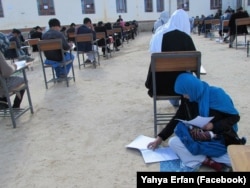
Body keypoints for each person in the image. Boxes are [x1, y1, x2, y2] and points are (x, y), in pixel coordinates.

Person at [148, 73, 246, 172]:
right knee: (173, 143)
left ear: (191, 89)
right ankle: (209, 162)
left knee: (237, 160)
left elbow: (234, 117)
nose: (184, 96)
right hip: (198, 138)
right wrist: (160, 138)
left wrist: (213, 126)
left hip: (219, 139)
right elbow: (177, 118)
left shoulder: (217, 94)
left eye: (185, 93)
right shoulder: (188, 99)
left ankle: (203, 158)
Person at [145, 9, 195, 107]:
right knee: (186, 73)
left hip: (160, 87)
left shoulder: (160, 35)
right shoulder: (186, 38)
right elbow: (195, 66)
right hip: (182, 88)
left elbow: (153, 59)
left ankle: (174, 101)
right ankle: (185, 106)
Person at [0, 32, 25, 109]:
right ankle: (15, 106)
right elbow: (7, 72)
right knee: (22, 80)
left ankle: (3, 101)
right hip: (1, 85)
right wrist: (14, 66)